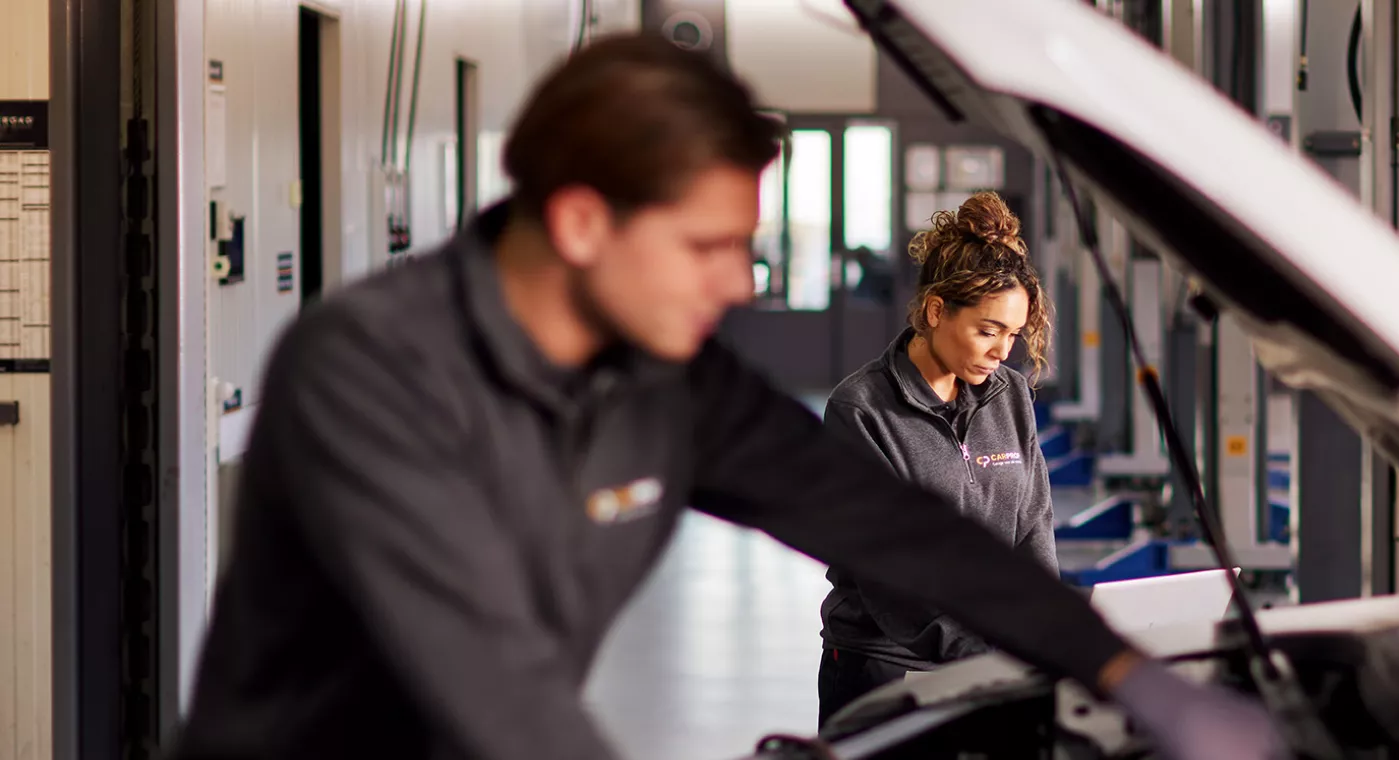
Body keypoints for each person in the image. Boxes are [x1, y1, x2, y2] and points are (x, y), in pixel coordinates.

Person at [168, 33, 1286, 760]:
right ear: (580, 223)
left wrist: (1121, 670)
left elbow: (889, 522)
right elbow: (492, 695)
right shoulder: (366, 376)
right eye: (709, 244)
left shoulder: (661, 376)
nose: (740, 280)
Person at [816, 192, 1059, 724]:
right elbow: (888, 574)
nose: (1002, 352)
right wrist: (990, 654)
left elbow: (1033, 525)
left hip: (993, 662)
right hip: (886, 668)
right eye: (988, 331)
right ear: (935, 311)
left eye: (1014, 335)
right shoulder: (862, 410)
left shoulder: (1010, 393)